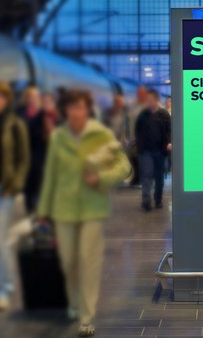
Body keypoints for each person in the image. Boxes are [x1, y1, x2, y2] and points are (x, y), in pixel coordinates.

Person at [37, 90, 131, 337]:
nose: (76, 112)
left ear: (88, 109)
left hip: (92, 208)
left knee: (88, 262)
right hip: (63, 208)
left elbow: (123, 165)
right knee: (69, 262)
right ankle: (74, 303)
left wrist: (101, 177)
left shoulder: (101, 135)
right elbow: (51, 175)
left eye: (80, 107)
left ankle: (86, 317)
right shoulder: (58, 136)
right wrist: (43, 211)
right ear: (65, 110)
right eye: (71, 107)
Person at [0, 82, 30, 311]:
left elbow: (23, 160)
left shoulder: (15, 126)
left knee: (3, 243)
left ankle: (6, 289)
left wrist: (15, 185)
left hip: (6, 190)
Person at [135, 89, 171, 211]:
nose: (149, 102)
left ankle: (158, 199)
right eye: (147, 100)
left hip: (160, 151)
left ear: (156, 100)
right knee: (147, 175)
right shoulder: (143, 115)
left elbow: (169, 130)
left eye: (151, 100)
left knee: (159, 177)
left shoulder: (164, 114)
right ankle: (146, 200)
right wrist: (139, 147)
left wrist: (169, 143)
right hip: (146, 151)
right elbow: (138, 131)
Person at [17, 86, 46, 213]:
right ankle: (30, 207)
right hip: (24, 152)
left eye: (35, 96)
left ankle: (37, 207)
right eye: (30, 96)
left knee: (38, 180)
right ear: (26, 98)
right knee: (27, 183)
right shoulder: (20, 112)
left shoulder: (43, 113)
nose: (32, 99)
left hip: (39, 153)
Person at [126, 86, 148, 186]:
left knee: (142, 158)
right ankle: (136, 177)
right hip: (132, 137)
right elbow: (127, 120)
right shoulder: (133, 105)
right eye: (139, 93)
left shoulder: (148, 106)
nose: (139, 95)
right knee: (133, 157)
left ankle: (141, 179)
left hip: (144, 138)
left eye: (142, 93)